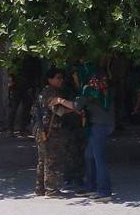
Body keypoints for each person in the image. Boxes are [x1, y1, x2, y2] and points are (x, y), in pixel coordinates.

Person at [56, 74, 116, 202]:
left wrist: (60, 100)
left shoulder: (88, 90)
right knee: (89, 155)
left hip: (98, 126)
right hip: (105, 125)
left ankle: (104, 191)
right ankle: (91, 186)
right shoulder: (102, 90)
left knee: (99, 159)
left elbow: (76, 105)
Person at [32, 68, 70, 197]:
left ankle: (40, 188)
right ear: (50, 79)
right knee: (51, 159)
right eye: (58, 77)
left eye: (61, 77)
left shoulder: (45, 91)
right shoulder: (51, 92)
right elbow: (59, 111)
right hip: (48, 130)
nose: (61, 80)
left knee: (43, 159)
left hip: (42, 128)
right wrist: (74, 108)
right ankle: (51, 189)